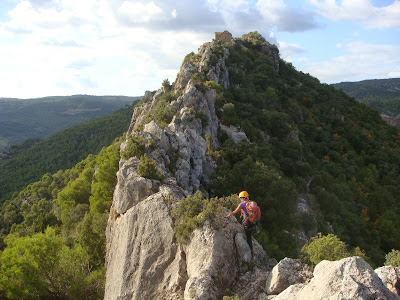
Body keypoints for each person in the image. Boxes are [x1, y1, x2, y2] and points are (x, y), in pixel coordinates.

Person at [225, 190, 257, 257]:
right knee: (249, 237)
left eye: (240, 198)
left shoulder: (242, 204)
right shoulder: (251, 202)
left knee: (246, 236)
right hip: (252, 221)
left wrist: (229, 215)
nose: (240, 199)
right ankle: (251, 251)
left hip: (247, 222)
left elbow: (235, 212)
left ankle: (250, 254)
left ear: (242, 197)